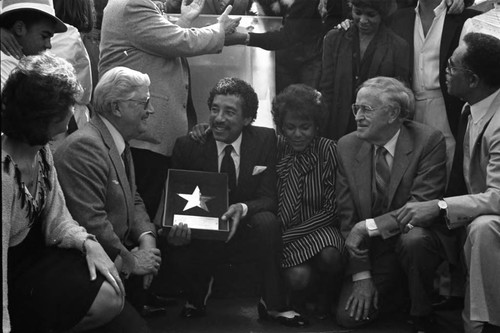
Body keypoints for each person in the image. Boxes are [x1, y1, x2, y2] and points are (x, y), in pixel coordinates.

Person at [169, 77, 308, 326]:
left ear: (247, 119)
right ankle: (196, 296)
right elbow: (175, 207)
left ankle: (274, 304)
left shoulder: (265, 140)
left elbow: (269, 198)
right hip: (204, 229)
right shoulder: (188, 146)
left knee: (267, 221)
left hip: (247, 223)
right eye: (214, 109)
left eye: (229, 112)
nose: (219, 118)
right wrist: (174, 229)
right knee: (181, 236)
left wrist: (242, 208)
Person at [2, 53, 124, 333]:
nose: (73, 110)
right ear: (44, 115)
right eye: (69, 104)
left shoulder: (41, 149)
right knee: (108, 300)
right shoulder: (4, 175)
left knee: (114, 293)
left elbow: (58, 218)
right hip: (14, 277)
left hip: (37, 261)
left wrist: (88, 244)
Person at [396, 32, 500, 333]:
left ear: (473, 80)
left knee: (484, 228)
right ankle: (422, 312)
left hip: (488, 217)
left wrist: (440, 206)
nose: (445, 71)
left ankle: (480, 325)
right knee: (415, 236)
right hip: (470, 212)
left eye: (452, 66)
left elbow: (497, 196)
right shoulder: (471, 108)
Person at [99, 0, 240, 219]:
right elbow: (179, 41)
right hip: (142, 137)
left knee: (148, 208)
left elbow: (160, 40)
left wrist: (183, 20)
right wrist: (219, 28)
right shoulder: (131, 4)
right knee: (139, 210)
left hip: (148, 135)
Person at [335, 77, 451, 332]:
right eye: (356, 108)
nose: (358, 116)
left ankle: (422, 311)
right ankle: (397, 291)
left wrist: (367, 226)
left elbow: (421, 205)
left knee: (416, 240)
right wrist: (362, 277)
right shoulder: (347, 145)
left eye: (367, 109)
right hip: (373, 249)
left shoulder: (428, 141)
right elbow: (347, 217)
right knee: (348, 318)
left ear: (393, 114)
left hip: (410, 237)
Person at [53, 67, 166, 320]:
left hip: (115, 259)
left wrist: (148, 237)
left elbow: (132, 197)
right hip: (86, 268)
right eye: (144, 102)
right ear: (116, 108)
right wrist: (133, 262)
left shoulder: (117, 141)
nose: (151, 111)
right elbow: (90, 220)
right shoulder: (86, 146)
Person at [271, 84, 345, 318]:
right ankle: (301, 299)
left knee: (331, 254)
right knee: (298, 277)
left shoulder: (328, 150)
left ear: (316, 126)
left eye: (305, 127)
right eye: (290, 127)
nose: (297, 134)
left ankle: (328, 295)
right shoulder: (276, 147)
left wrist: (287, 235)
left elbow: (332, 210)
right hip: (286, 231)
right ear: (281, 127)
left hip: (320, 228)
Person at [388, 0, 478, 174]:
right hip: (409, 104)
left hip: (447, 105)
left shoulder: (465, 18)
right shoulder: (399, 18)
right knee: (409, 166)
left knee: (449, 162)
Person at [319, 0, 410, 141]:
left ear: (382, 15)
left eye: (370, 15)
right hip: (338, 126)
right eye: (358, 12)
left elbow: (400, 98)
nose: (363, 20)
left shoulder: (398, 47)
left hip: (377, 130)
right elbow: (326, 90)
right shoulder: (335, 38)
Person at [225, 0, 325, 93]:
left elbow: (289, 36)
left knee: (305, 102)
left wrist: (245, 38)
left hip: (307, 57)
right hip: (278, 56)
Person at [0, 0, 67, 90]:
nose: (49, 45)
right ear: (19, 28)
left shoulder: (21, 63)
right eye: (44, 36)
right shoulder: (5, 64)